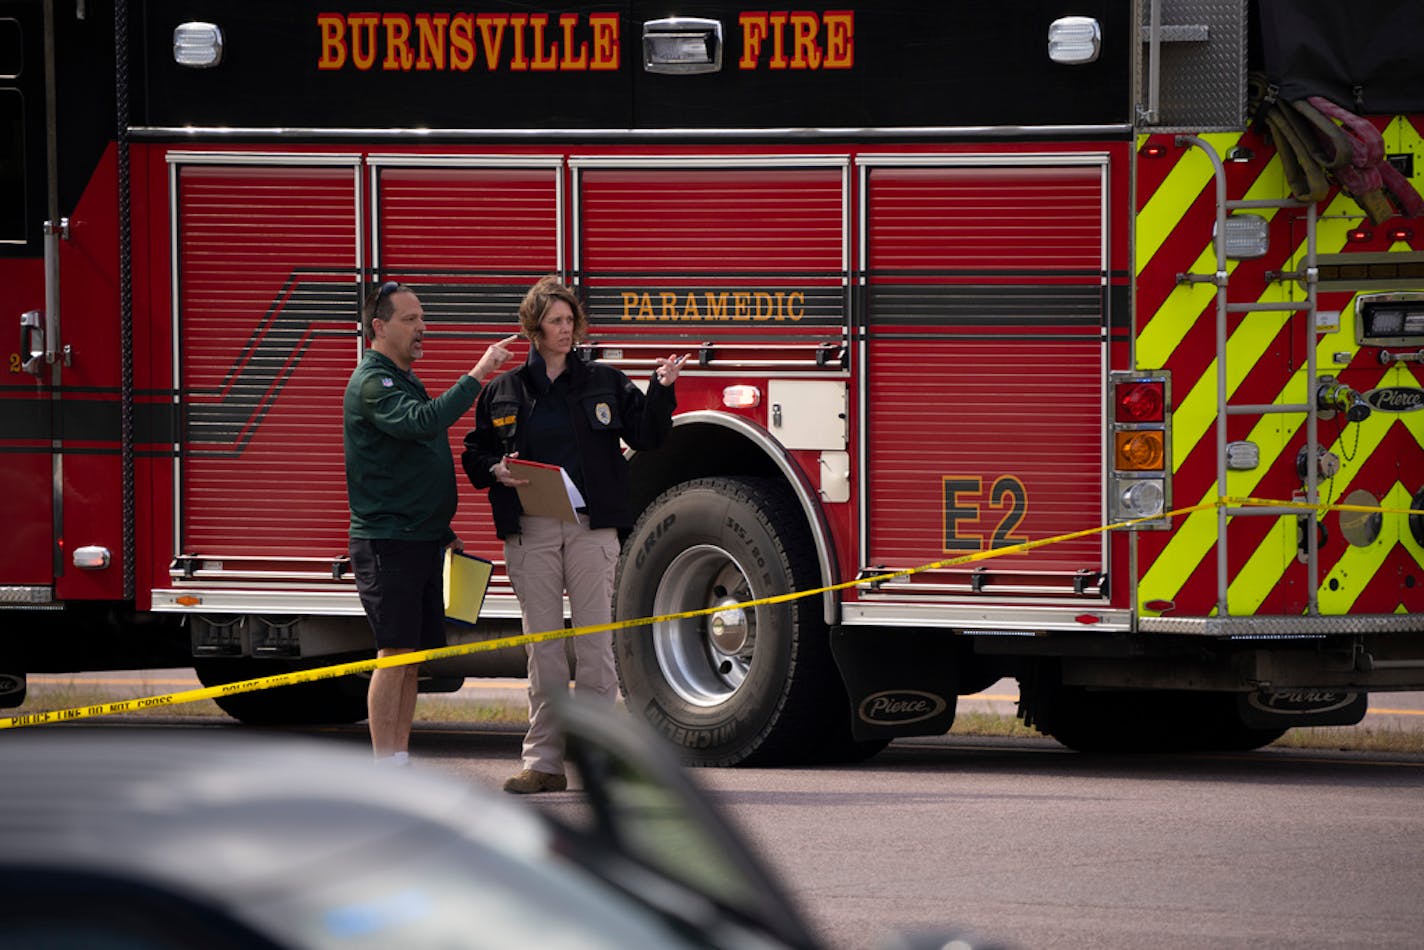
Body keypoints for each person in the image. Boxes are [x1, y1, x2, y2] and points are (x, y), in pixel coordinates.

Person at [463, 275, 686, 793]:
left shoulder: (605, 382)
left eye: (571, 321)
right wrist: (495, 468)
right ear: (534, 327)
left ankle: (597, 761)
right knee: (541, 650)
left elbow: (649, 435)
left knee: (594, 647)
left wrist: (661, 389)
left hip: (591, 528)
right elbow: (474, 452)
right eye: (556, 321)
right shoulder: (504, 390)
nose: (567, 330)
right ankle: (542, 763)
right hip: (531, 529)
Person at [344, 280, 518, 766]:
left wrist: (441, 529)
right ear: (378, 327)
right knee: (393, 656)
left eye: (423, 317)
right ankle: (385, 764)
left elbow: (410, 459)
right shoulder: (372, 382)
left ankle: (399, 760)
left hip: (419, 538)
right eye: (410, 319)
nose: (423, 327)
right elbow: (423, 422)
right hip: (388, 543)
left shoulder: (400, 377)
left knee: (412, 659)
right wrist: (479, 374)